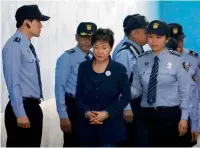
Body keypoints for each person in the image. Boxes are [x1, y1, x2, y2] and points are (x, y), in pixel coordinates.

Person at [132, 20, 192, 147]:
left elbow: (185, 92)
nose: (153, 41)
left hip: (169, 117)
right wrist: (121, 93)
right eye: (151, 37)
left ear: (166, 39)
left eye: (158, 37)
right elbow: (136, 89)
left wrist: (184, 118)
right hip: (145, 116)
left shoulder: (178, 61)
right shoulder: (141, 60)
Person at [2, 5, 50, 147]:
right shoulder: (14, 46)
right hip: (22, 109)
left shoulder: (26, 45)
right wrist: (20, 113)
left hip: (32, 107)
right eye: (38, 21)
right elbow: (13, 82)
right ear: (27, 22)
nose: (41, 26)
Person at [75, 28, 131, 146]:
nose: (100, 51)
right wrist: (86, 112)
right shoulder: (84, 67)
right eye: (96, 47)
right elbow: (79, 95)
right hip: (88, 126)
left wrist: (107, 113)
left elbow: (126, 96)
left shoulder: (119, 69)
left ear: (111, 48)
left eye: (104, 48)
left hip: (111, 127)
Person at [55, 22, 97, 146]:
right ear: (76, 37)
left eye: (91, 37)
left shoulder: (94, 57)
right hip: (73, 107)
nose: (87, 40)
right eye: (84, 36)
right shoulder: (67, 57)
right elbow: (59, 87)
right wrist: (63, 114)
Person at [112, 14, 148, 146]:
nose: (149, 34)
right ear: (134, 33)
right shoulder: (125, 53)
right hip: (130, 107)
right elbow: (120, 83)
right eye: (146, 31)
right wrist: (126, 108)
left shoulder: (136, 49)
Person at [168, 23, 199, 147]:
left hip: (188, 117)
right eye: (175, 41)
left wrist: (195, 124)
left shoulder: (194, 58)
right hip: (164, 117)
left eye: (180, 40)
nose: (179, 44)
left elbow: (195, 93)